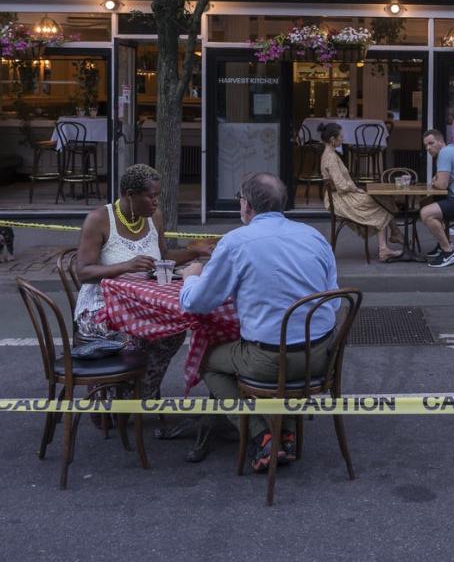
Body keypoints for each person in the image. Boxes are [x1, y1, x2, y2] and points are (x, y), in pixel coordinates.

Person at [179, 173, 338, 471]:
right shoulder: (314, 236)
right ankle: (286, 430)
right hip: (320, 358)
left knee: (206, 359)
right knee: (265, 350)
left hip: (269, 360)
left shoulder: (236, 242)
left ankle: (261, 435)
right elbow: (335, 300)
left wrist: (191, 277)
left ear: (246, 205)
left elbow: (197, 303)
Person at [73, 164, 215, 400]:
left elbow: (164, 257)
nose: (156, 202)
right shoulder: (99, 219)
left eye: (158, 196)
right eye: (151, 196)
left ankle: (138, 394)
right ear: (130, 195)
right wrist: (126, 266)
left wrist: (195, 251)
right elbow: (83, 272)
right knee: (137, 336)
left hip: (142, 304)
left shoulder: (154, 217)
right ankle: (112, 393)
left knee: (172, 332)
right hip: (101, 307)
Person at [317, 123, 403, 261]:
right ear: (333, 140)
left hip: (341, 196)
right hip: (340, 199)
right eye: (341, 137)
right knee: (383, 205)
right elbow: (341, 185)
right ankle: (386, 246)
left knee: (384, 200)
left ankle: (394, 234)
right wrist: (356, 189)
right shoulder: (331, 157)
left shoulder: (330, 154)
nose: (342, 139)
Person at [419, 128, 454, 268]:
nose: (428, 148)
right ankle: (442, 245)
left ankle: (448, 251)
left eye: (431, 143)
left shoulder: (445, 153)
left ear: (440, 141)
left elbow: (441, 184)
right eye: (426, 145)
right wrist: (438, 181)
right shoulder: (450, 150)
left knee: (426, 213)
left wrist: (436, 182)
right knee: (431, 204)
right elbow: (442, 181)